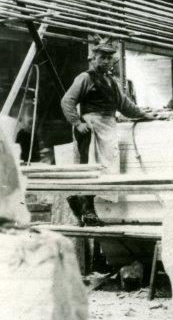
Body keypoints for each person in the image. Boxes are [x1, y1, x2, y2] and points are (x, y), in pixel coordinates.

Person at [60, 42, 146, 225]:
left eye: (109, 57)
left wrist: (145, 115)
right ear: (93, 58)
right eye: (102, 57)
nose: (106, 61)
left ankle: (79, 202)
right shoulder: (85, 78)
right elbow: (67, 101)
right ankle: (88, 211)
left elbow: (125, 106)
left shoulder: (112, 82)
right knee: (90, 168)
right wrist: (77, 122)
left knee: (105, 169)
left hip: (108, 127)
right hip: (91, 127)